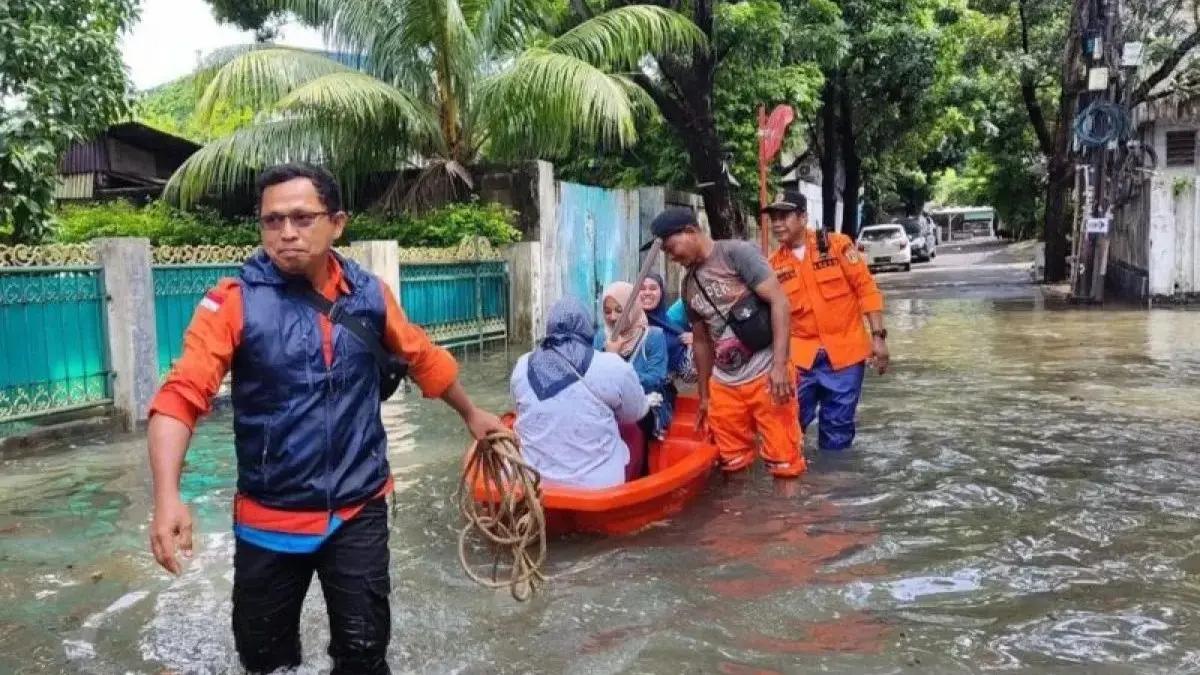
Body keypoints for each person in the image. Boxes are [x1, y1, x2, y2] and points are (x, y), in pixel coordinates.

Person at [145, 162, 504, 675]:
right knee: (266, 662)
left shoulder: (370, 295)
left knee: (363, 657)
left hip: (358, 509)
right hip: (269, 519)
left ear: (337, 223)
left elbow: (422, 356)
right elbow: (180, 397)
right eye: (272, 221)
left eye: (301, 217)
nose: (286, 233)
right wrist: (166, 498)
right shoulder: (232, 304)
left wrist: (472, 413)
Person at [650, 207, 806, 478]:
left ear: (690, 232)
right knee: (731, 464)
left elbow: (780, 302)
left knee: (785, 463)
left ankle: (787, 517)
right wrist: (704, 396)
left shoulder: (736, 255)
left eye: (670, 247)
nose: (671, 256)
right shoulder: (688, 285)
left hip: (766, 372)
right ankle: (740, 519)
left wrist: (780, 365)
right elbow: (700, 341)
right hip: (725, 384)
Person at [764, 189, 889, 451]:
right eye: (773, 217)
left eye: (784, 216)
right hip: (799, 360)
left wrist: (878, 338)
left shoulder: (837, 245)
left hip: (845, 356)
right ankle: (792, 484)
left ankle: (834, 486)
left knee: (838, 431)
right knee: (788, 425)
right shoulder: (771, 266)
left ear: (803, 218)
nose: (777, 223)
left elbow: (866, 289)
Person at [511, 297, 650, 487]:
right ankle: (635, 489)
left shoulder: (522, 364)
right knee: (633, 430)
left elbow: (520, 409)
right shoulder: (611, 365)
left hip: (533, 483)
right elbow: (636, 412)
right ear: (587, 329)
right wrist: (613, 357)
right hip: (597, 485)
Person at [596, 281, 672, 443]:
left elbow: (656, 378)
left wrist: (614, 361)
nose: (613, 317)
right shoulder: (602, 337)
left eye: (619, 310)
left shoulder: (653, 337)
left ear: (632, 308)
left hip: (646, 399)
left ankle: (642, 466)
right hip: (609, 401)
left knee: (634, 422)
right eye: (607, 312)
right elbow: (592, 376)